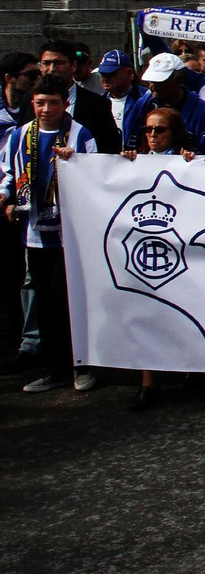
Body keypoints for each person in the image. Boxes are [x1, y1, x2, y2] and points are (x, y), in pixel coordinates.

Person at [0, 75, 98, 394]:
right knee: (45, 304)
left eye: (53, 102)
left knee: (71, 302)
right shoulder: (19, 136)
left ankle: (83, 365)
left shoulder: (79, 134)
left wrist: (76, 165)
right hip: (34, 234)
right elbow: (8, 175)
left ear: (65, 103)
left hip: (71, 236)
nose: (46, 109)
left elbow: (95, 173)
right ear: (33, 103)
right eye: (40, 103)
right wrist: (7, 199)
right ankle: (54, 368)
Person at [117, 105, 195, 411]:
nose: (152, 136)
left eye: (159, 130)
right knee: (145, 312)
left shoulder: (189, 160)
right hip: (145, 251)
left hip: (181, 251)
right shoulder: (134, 162)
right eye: (148, 130)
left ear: (173, 133)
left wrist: (192, 163)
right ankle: (148, 381)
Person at [124, 53, 205, 155]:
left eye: (160, 82)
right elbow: (130, 143)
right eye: (151, 82)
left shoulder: (202, 113)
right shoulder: (143, 105)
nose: (153, 87)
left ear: (179, 79)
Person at [38, 41, 118, 152]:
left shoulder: (97, 104)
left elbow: (110, 148)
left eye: (59, 63)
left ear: (74, 66)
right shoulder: (27, 101)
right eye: (46, 63)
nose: (52, 69)